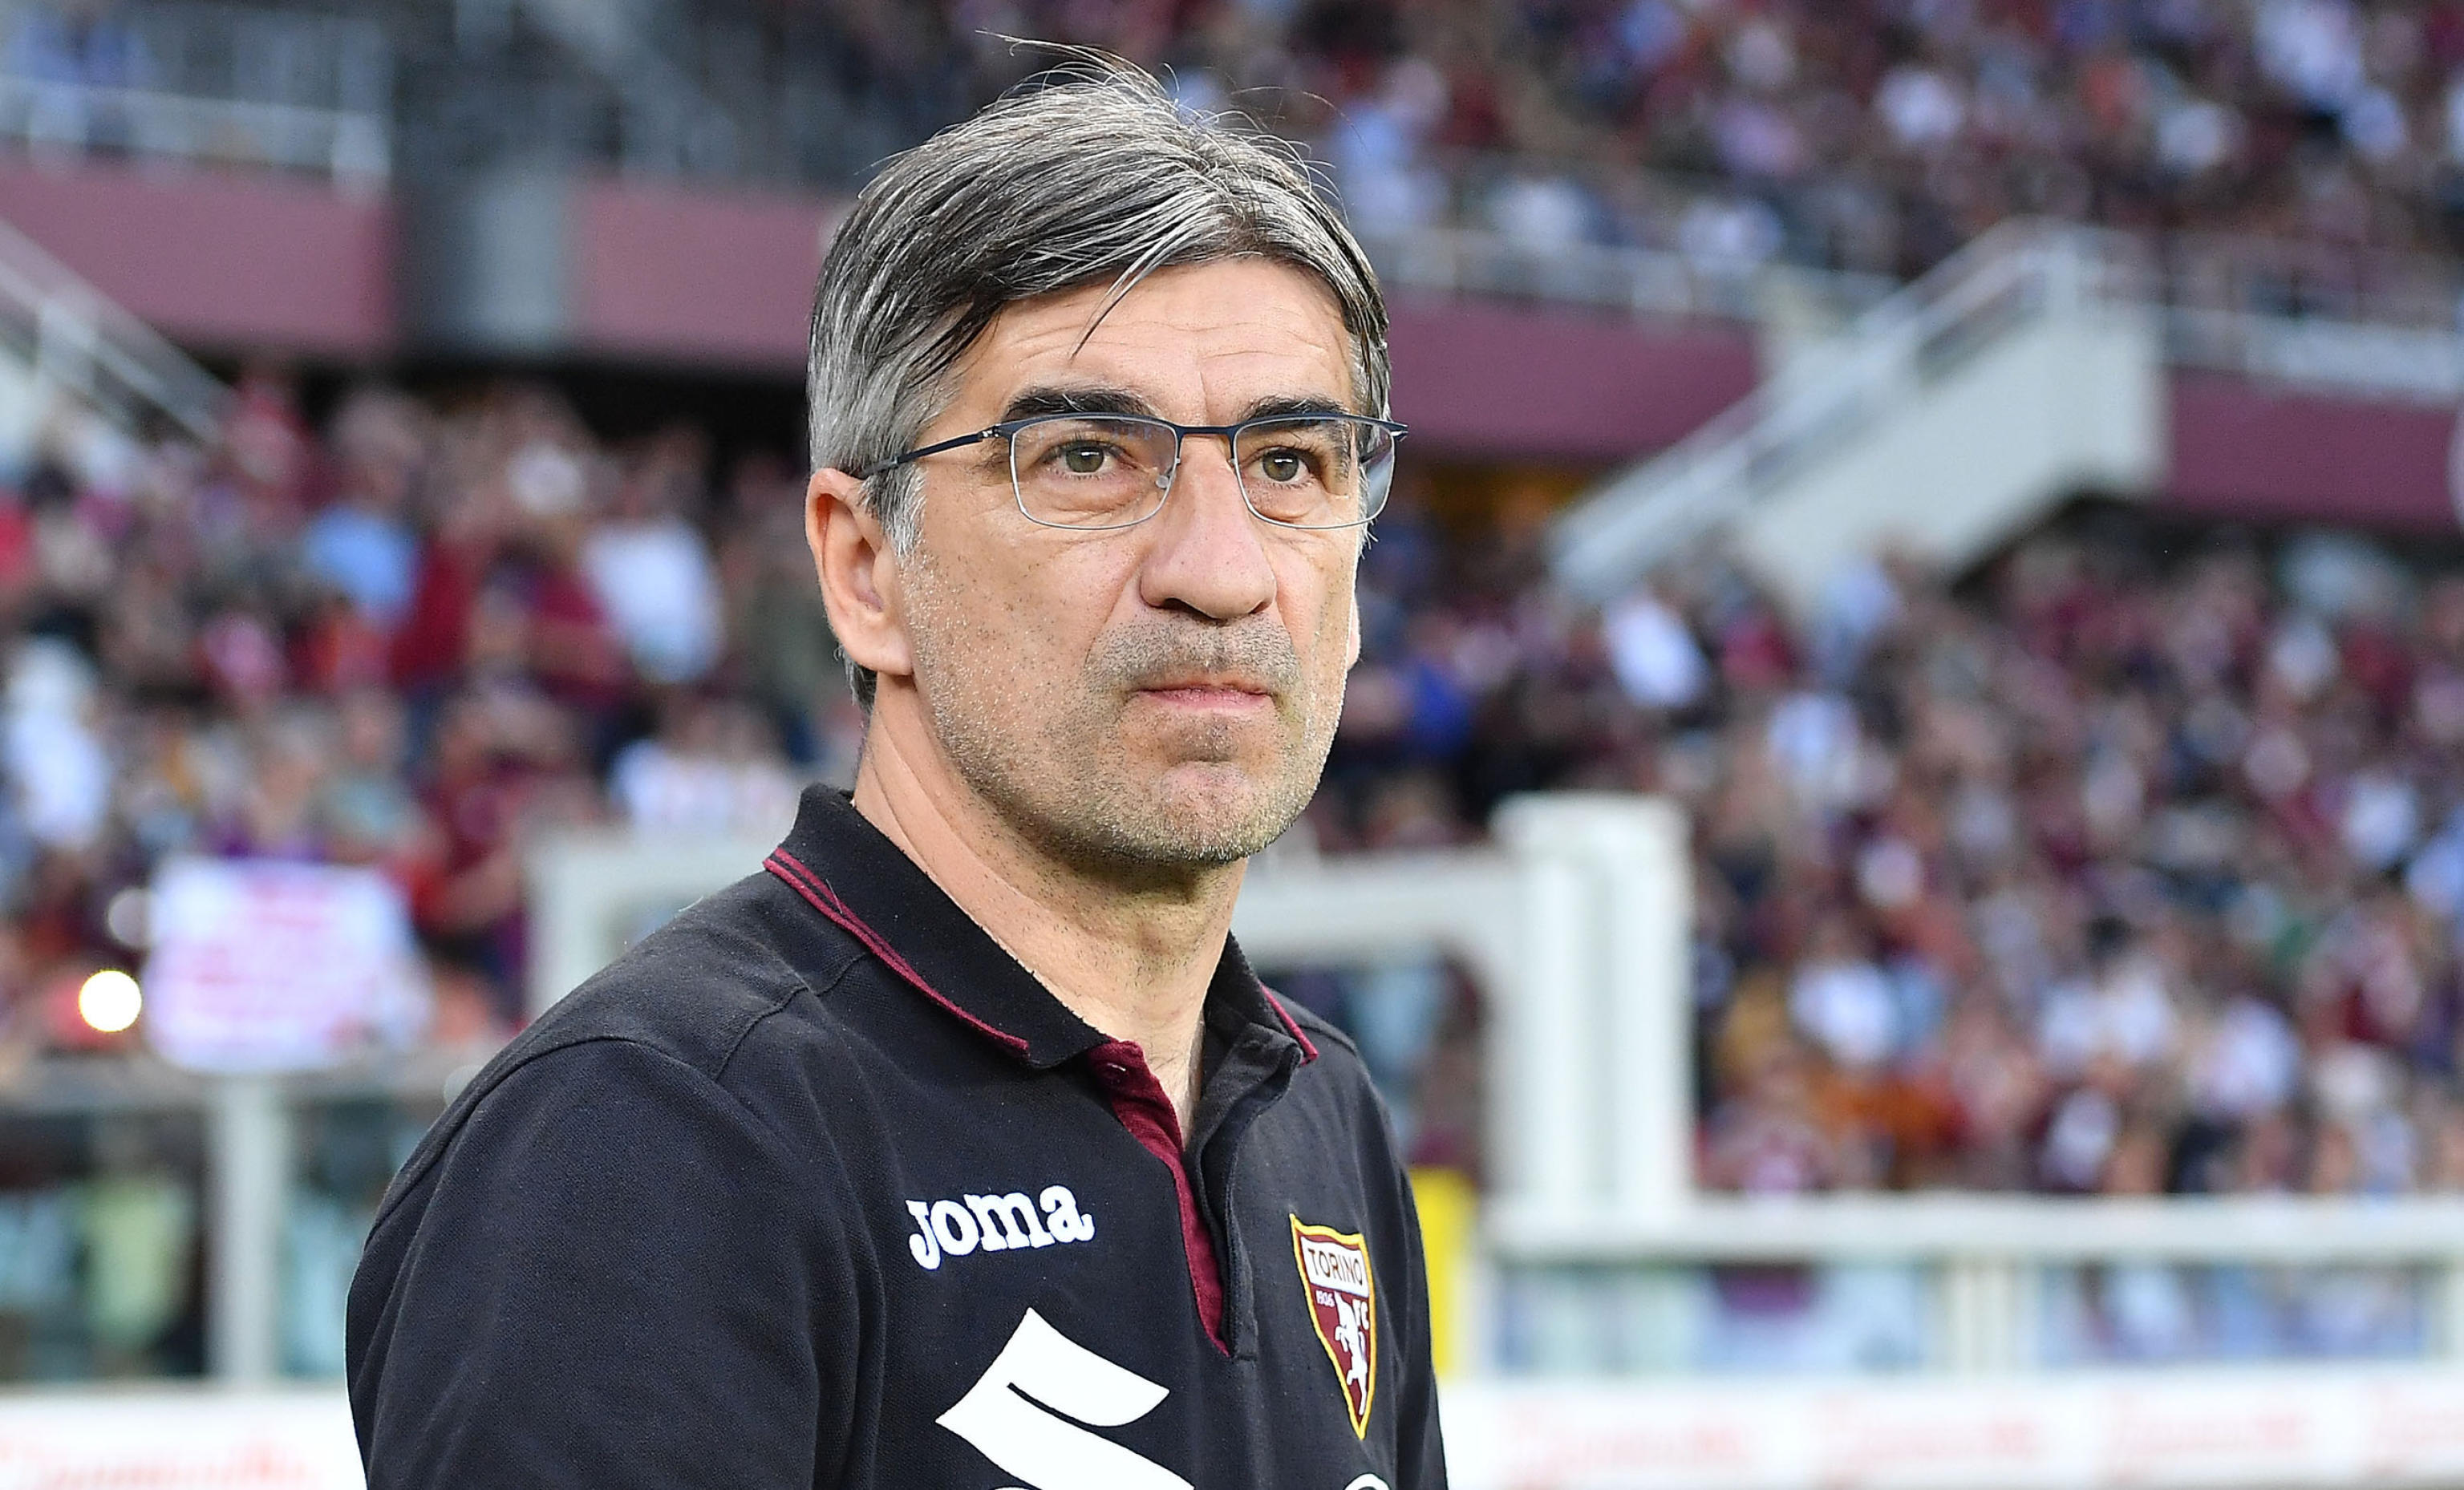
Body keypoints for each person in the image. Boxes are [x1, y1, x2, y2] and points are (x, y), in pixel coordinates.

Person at [346, 57, 1445, 1490]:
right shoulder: (647, 1139)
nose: (1221, 569)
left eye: (1292, 463)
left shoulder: (1324, 1111)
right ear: (866, 569)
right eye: (1087, 457)